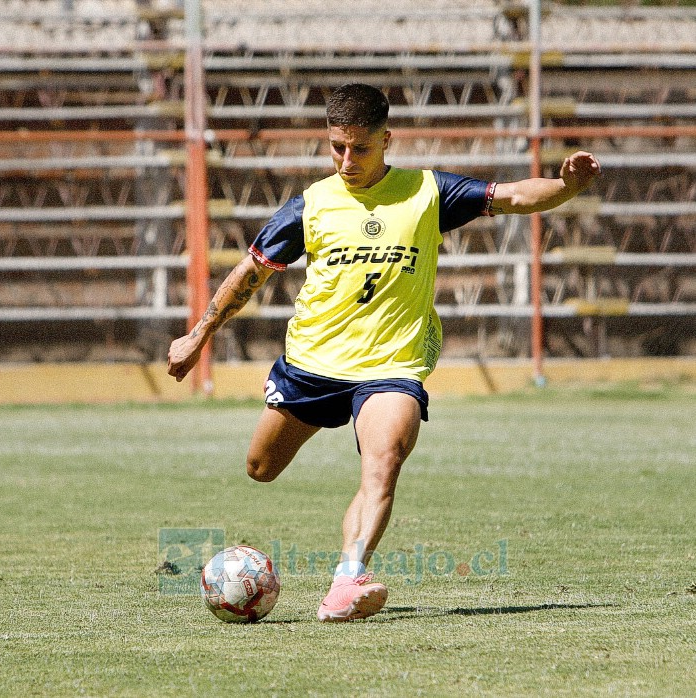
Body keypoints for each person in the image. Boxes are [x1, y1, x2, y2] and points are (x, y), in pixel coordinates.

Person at [167, 83, 601, 622]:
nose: (347, 161)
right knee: (260, 468)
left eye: (360, 149)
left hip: (390, 366)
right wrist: (198, 334)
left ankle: (346, 583)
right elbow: (249, 273)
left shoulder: (426, 192)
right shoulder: (312, 204)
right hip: (312, 364)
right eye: (336, 148)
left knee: (383, 462)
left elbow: (512, 196)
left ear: (386, 139)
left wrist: (566, 187)